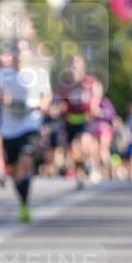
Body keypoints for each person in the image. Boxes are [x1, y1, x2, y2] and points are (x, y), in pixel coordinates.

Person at [0, 38, 52, 221]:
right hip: (9, 129)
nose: (18, 54)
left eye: (22, 50)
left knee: (26, 160)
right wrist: (1, 99)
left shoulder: (38, 74)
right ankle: (23, 202)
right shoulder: (2, 74)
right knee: (14, 171)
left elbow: (47, 96)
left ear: (28, 54)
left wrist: (43, 103)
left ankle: (25, 203)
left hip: (30, 125)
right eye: (15, 51)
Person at [57, 54, 100, 188]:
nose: (73, 68)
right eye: (71, 66)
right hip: (70, 119)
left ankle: (90, 164)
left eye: (76, 65)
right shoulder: (65, 85)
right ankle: (79, 175)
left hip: (85, 118)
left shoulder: (89, 83)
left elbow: (96, 94)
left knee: (83, 141)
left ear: (82, 67)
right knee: (74, 150)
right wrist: (57, 108)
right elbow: (60, 102)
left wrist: (94, 105)